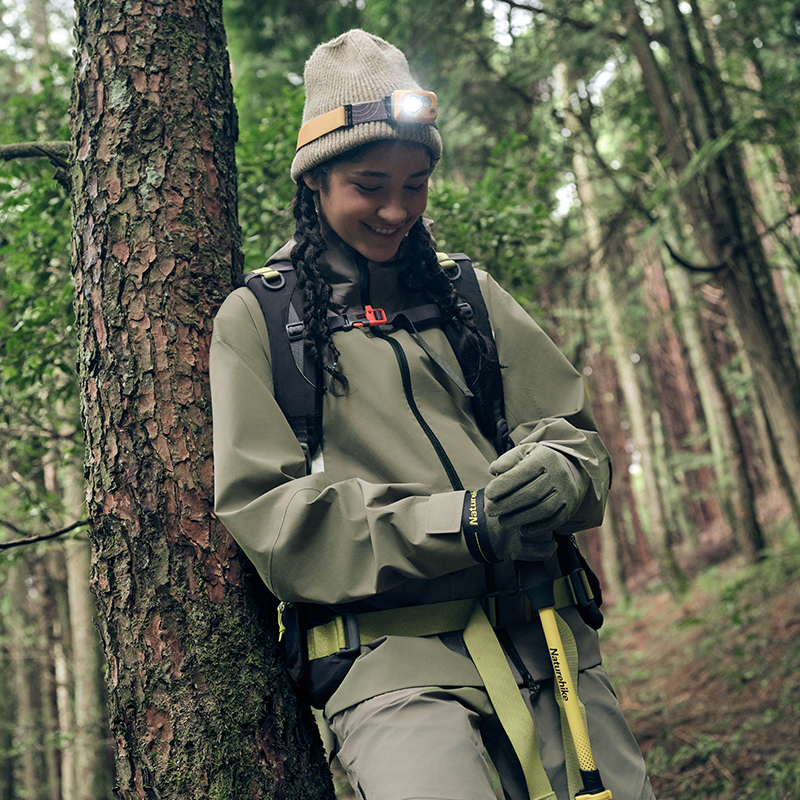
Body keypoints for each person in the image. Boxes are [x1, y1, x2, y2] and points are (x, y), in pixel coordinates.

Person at [210, 29, 655, 800]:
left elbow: (574, 438)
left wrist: (559, 475)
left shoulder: (469, 296)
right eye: (369, 182)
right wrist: (463, 521)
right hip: (391, 674)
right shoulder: (258, 320)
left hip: (552, 650)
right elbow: (273, 521)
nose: (395, 209)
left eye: (414, 183)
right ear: (315, 179)